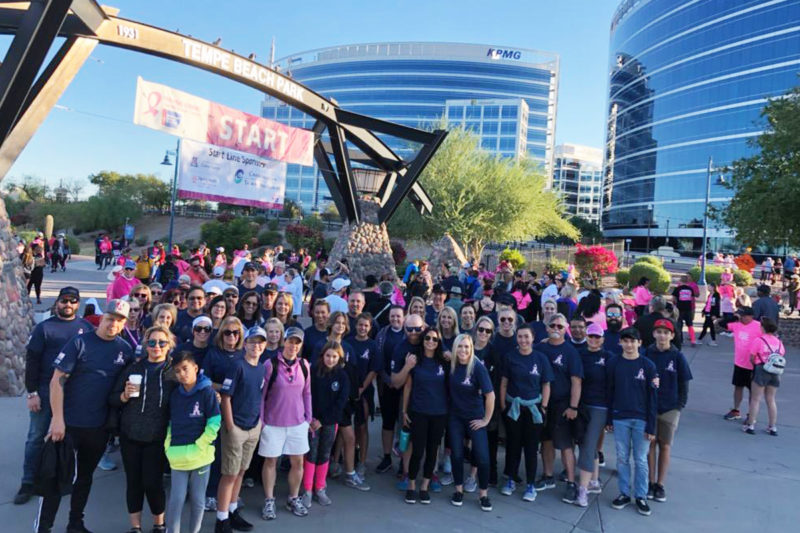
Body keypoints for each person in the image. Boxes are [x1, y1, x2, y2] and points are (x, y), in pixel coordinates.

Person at [35, 300, 134, 533]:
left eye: (119, 320)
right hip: (67, 424)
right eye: (110, 318)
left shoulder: (125, 350)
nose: (113, 323)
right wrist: (57, 419)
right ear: (102, 317)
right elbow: (56, 381)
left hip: (98, 428)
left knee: (85, 478)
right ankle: (43, 527)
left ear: (124, 323)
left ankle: (75, 523)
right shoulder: (79, 342)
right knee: (56, 479)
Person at [16, 287, 92, 505]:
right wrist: (31, 393)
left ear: (78, 304)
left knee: (68, 438)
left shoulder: (86, 328)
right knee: (36, 438)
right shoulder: (43, 328)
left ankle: (61, 479)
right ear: (57, 302)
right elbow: (32, 362)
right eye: (64, 300)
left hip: (73, 395)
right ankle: (28, 482)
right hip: (43, 391)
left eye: (73, 301)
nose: (68, 304)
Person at [109, 325, 176, 533]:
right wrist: (124, 396)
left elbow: (193, 388)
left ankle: (159, 524)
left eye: (162, 342)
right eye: (152, 342)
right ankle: (135, 527)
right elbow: (113, 398)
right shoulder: (133, 369)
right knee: (134, 483)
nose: (157, 346)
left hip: (157, 436)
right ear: (146, 345)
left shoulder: (174, 372)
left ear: (169, 346)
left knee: (153, 483)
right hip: (130, 434)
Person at [215, 326, 269, 533]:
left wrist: (258, 422)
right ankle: (221, 520)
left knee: (241, 471)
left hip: (252, 426)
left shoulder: (262, 368)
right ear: (244, 344)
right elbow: (226, 397)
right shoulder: (237, 366)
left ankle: (232, 510)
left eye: (260, 342)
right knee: (229, 474)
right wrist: (230, 426)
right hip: (236, 426)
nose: (256, 346)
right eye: (252, 342)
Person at [258, 327, 312, 520]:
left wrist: (308, 419)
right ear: (284, 341)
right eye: (290, 341)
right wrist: (262, 422)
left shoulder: (305, 365)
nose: (293, 346)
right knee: (271, 462)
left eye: (297, 342)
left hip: (297, 423)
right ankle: (269, 500)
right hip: (273, 423)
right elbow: (261, 396)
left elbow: (307, 393)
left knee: (297, 463)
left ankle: (293, 497)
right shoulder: (269, 364)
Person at [165, 350, 221, 533]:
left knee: (198, 499)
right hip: (178, 456)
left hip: (201, 457)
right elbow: (171, 424)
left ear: (195, 368)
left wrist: (201, 445)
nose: (182, 374)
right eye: (177, 371)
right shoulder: (175, 395)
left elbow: (214, 422)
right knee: (176, 498)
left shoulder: (207, 393)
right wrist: (168, 446)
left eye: (185, 368)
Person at [607, 327, 657, 517]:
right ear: (620, 343)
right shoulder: (614, 363)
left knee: (640, 459)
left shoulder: (648, 366)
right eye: (625, 341)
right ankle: (624, 493)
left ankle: (641, 495)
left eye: (632, 341)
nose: (628, 345)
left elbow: (653, 397)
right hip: (620, 418)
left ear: (639, 343)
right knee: (621, 457)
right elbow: (609, 392)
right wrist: (609, 418)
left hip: (642, 419)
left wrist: (651, 425)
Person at [499, 325, 552, 503]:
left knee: (531, 448)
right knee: (513, 445)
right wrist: (502, 405)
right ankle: (511, 480)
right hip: (514, 407)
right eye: (520, 337)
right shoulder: (510, 357)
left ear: (533, 337)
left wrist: (543, 407)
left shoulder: (540, 358)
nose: (523, 340)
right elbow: (504, 382)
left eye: (526, 337)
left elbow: (546, 384)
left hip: (534, 409)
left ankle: (530, 484)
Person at [397, 327, 449, 504]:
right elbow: (408, 387)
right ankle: (411, 484)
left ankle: (425, 485)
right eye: (428, 338)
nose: (431, 342)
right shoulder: (415, 361)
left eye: (435, 339)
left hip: (439, 413)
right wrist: (404, 411)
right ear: (423, 339)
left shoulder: (444, 362)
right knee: (417, 450)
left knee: (433, 451)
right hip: (418, 412)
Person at [535, 313, 584, 505]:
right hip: (542, 403)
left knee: (565, 445)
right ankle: (548, 475)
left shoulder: (571, 352)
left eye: (560, 326)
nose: (556, 328)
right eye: (552, 325)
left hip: (563, 404)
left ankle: (571, 482)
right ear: (547, 327)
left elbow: (576, 381)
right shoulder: (539, 348)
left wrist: (573, 406)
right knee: (545, 441)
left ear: (566, 330)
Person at [644, 319, 692, 503]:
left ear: (672, 335)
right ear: (654, 334)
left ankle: (660, 484)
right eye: (659, 332)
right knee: (650, 444)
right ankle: (650, 481)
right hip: (650, 406)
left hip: (670, 407)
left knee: (665, 445)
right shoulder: (647, 353)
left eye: (666, 332)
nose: (662, 335)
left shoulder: (677, 356)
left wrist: (680, 405)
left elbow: (684, 382)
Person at [201, 317, 246, 511]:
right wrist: (225, 388)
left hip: (240, 410)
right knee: (216, 453)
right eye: (227, 332)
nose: (231, 336)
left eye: (235, 332)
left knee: (234, 455)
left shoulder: (244, 354)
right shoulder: (213, 354)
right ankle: (210, 493)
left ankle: (231, 496)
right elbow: (203, 380)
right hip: (217, 409)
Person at [446, 334, 495, 511]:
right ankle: (458, 490)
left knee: (482, 456)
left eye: (466, 347)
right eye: (460, 346)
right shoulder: (451, 365)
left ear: (471, 348)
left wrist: (486, 420)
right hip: (455, 417)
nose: (463, 350)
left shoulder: (477, 367)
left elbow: (490, 395)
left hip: (475, 417)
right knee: (457, 454)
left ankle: (483, 494)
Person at [302, 341, 350, 507]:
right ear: (322, 356)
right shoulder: (313, 372)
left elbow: (341, 402)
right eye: (328, 356)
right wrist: (311, 419)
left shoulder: (342, 376)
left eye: (334, 356)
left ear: (340, 358)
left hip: (329, 422)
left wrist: (323, 421)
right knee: (311, 453)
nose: (330, 359)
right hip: (311, 422)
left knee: (324, 453)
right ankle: (307, 489)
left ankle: (320, 488)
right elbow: (306, 395)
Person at [574, 323, 613, 507]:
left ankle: (582, 490)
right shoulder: (580, 355)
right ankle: (594, 481)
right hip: (582, 406)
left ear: (602, 339)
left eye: (597, 337)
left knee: (588, 445)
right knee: (585, 442)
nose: (594, 340)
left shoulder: (609, 358)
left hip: (600, 407)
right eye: (591, 336)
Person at [348, 313, 381, 480]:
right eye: (360, 325)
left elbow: (374, 370)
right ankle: (344, 459)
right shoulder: (348, 342)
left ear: (370, 328)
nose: (362, 328)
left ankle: (361, 461)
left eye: (366, 326)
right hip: (348, 390)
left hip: (364, 391)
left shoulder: (373, 345)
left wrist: (361, 389)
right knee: (345, 426)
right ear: (356, 325)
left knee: (362, 426)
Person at [374, 305, 406, 474]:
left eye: (398, 316)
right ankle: (387, 457)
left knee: (403, 423)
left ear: (404, 316)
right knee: (388, 422)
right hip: (387, 385)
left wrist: (401, 380)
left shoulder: (410, 333)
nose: (395, 319)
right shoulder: (382, 335)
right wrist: (388, 379)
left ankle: (403, 459)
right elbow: (379, 360)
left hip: (405, 387)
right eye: (392, 316)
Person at [743, 317, 784, 436]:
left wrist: (755, 365)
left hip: (762, 368)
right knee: (771, 399)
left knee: (756, 399)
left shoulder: (759, 340)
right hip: (775, 371)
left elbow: (752, 356)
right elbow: (781, 354)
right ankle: (772, 427)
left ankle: (750, 425)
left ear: (763, 328)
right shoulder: (779, 342)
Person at [722, 307, 761, 421]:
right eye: (740, 315)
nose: (742, 318)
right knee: (738, 387)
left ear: (751, 316)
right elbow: (722, 323)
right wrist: (734, 317)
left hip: (753, 364)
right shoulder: (736, 324)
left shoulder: (758, 326)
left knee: (752, 391)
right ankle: (735, 410)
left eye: (744, 316)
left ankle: (751, 414)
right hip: (739, 363)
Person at [671, 275, 698, 347]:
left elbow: (673, 299)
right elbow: (692, 298)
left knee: (679, 325)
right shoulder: (690, 289)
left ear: (680, 281)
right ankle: (693, 340)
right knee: (690, 325)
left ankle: (680, 340)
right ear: (687, 281)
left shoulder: (677, 289)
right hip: (688, 309)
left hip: (680, 308)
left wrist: (675, 304)